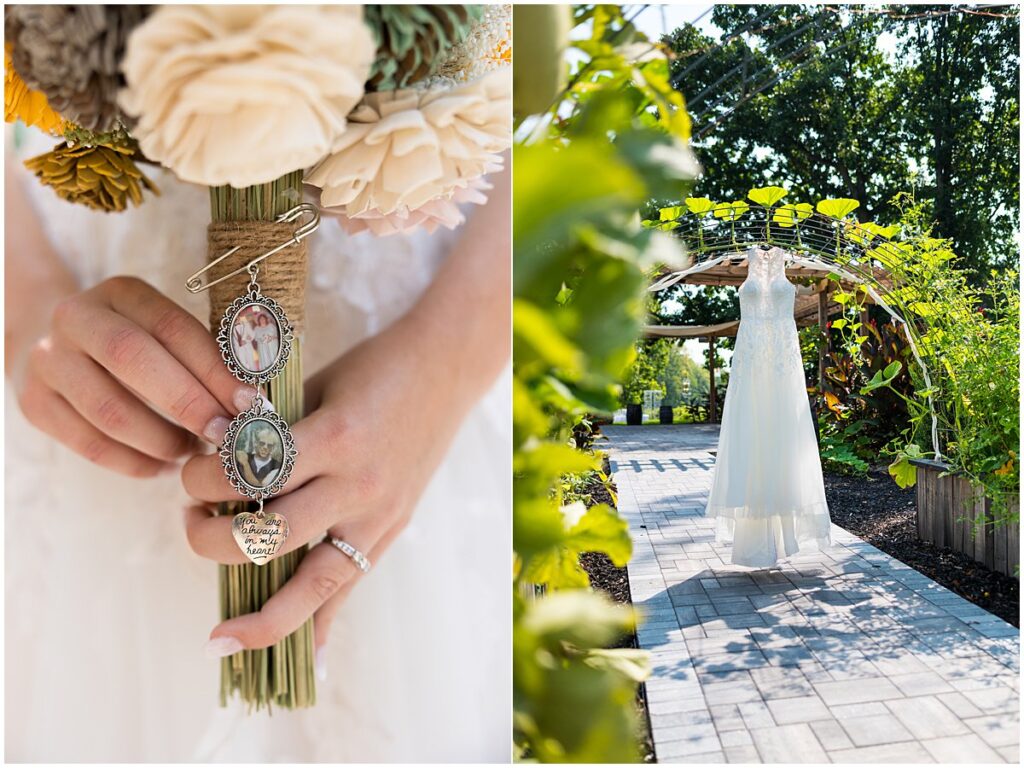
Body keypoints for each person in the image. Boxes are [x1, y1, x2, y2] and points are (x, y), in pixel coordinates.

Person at [4, 122, 511, 762]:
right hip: (91, 332)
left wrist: (447, 359)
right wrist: (23, 302)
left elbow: (537, 83)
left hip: (404, 370)